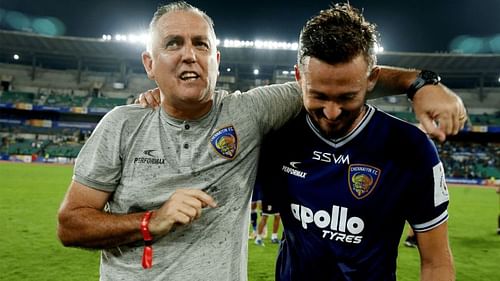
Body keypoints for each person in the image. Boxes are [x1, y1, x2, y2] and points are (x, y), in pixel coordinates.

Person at [57, 1, 464, 280]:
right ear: (149, 63)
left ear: (218, 60)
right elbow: (70, 224)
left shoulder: (251, 114)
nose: (189, 55)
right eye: (173, 44)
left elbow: (347, 80)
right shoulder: (123, 124)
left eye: (201, 44)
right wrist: (151, 221)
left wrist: (420, 82)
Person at [256, 3, 455, 280]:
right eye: (319, 96)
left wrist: (421, 83)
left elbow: (436, 262)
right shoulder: (276, 136)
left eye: (347, 97)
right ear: (299, 77)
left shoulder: (410, 147)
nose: (332, 113)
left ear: (372, 78)